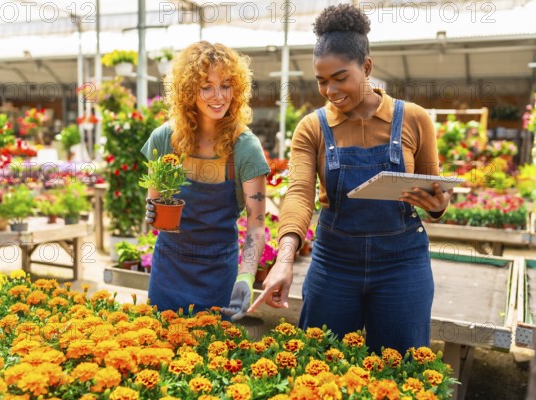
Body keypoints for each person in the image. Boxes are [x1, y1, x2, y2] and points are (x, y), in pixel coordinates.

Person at [249, 4, 451, 354]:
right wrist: (284, 258)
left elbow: (434, 188)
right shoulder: (312, 128)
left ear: (367, 67)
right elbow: (298, 192)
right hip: (335, 261)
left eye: (340, 78)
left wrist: (439, 204)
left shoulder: (414, 119)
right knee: (319, 361)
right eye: (322, 81)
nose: (330, 90)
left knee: (400, 365)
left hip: (401, 262)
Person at [141, 41, 270, 321]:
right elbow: (154, 207)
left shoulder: (244, 147)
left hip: (218, 274)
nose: (218, 96)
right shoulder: (165, 140)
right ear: (188, 91)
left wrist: (246, 278)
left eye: (225, 85)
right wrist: (151, 211)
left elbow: (257, 226)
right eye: (206, 86)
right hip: (168, 270)